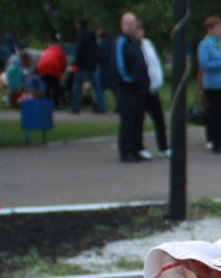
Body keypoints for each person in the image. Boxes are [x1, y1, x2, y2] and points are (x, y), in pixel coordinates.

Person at [111, 10, 152, 163]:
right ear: (122, 25)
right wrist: (131, 81)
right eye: (127, 23)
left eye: (132, 23)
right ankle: (126, 151)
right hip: (127, 89)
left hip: (140, 88)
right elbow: (120, 66)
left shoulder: (134, 42)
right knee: (128, 121)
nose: (130, 26)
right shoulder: (121, 42)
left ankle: (136, 148)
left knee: (138, 120)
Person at [197, 15, 221, 153]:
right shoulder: (205, 44)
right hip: (213, 85)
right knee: (217, 114)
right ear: (210, 29)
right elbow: (204, 64)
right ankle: (217, 142)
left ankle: (219, 138)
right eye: (218, 27)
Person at [135, 20, 169, 156]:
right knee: (139, 119)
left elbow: (154, 63)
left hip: (153, 88)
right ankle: (139, 147)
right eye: (137, 30)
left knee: (159, 118)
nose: (140, 33)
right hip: (142, 88)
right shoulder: (133, 46)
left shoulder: (147, 43)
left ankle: (163, 146)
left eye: (141, 30)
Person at [71, 18, 102, 114]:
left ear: (80, 25)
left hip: (82, 65)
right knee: (97, 87)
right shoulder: (92, 35)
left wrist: (75, 62)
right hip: (92, 64)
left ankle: (76, 107)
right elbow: (96, 48)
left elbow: (79, 50)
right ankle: (101, 106)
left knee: (77, 86)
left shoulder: (81, 35)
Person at [35, 39, 68, 109]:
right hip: (54, 69)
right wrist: (61, 73)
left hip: (42, 68)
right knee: (55, 87)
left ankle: (45, 102)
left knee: (45, 86)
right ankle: (55, 103)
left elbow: (41, 60)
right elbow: (64, 64)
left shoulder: (46, 51)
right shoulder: (60, 52)